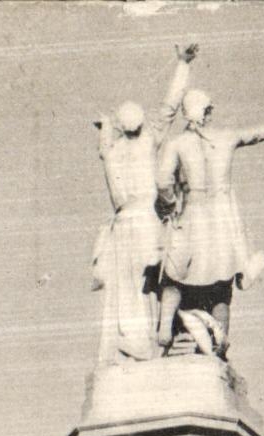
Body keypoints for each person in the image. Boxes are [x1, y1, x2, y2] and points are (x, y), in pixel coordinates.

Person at [155, 86, 264, 354]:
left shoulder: (177, 143)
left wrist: (168, 206)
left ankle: (165, 325)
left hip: (192, 211)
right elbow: (255, 134)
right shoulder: (226, 137)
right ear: (207, 112)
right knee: (221, 285)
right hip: (223, 218)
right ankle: (219, 343)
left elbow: (162, 181)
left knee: (175, 276)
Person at [92, 43, 199, 363]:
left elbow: (166, 108)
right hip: (139, 223)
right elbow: (169, 105)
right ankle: (151, 344)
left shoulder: (110, 150)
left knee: (136, 287)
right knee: (150, 282)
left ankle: (145, 344)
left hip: (128, 225)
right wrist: (182, 64)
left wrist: (104, 127)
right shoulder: (143, 140)